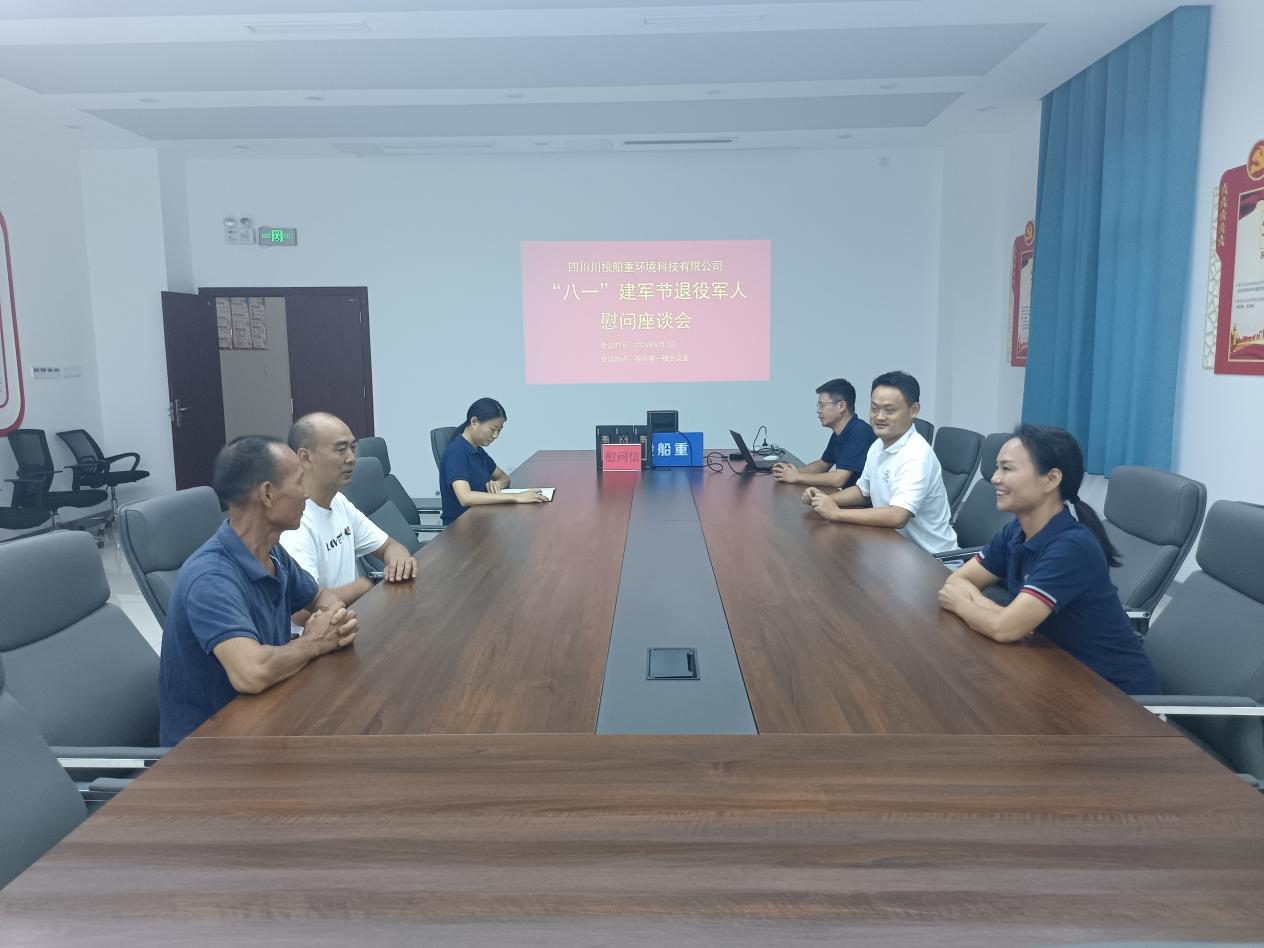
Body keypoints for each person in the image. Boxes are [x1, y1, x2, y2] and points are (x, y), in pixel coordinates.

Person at [158, 436, 359, 745]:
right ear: (267, 493)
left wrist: (335, 623)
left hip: (267, 716)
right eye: (299, 482)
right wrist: (315, 642)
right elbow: (251, 673)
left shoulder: (271, 553)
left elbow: (321, 597)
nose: (307, 494)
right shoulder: (210, 577)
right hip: (208, 750)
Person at [937, 424, 1160, 694]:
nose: (995, 478)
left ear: (1051, 479)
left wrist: (964, 604)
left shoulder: (1071, 547)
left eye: (1007, 469)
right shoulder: (1016, 531)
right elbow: (958, 580)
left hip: (1115, 697)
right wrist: (996, 612)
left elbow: (1003, 629)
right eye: (997, 468)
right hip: (1057, 673)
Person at [281, 412, 417, 628]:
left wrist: (399, 561)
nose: (352, 458)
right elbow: (300, 612)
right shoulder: (293, 522)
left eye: (353, 448)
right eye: (340, 449)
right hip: (319, 637)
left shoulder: (338, 501)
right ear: (305, 458)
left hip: (353, 620)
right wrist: (361, 587)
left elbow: (390, 546)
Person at [802, 370, 957, 554]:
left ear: (914, 410)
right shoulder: (878, 446)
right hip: (890, 545)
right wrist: (824, 500)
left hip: (929, 559)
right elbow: (863, 491)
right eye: (874, 408)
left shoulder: (916, 454)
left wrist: (836, 513)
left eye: (889, 410)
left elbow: (898, 515)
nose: (880, 417)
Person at [439, 397, 546, 525]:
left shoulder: (477, 450)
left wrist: (498, 484)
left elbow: (504, 478)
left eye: (499, 430)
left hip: (481, 519)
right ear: (474, 421)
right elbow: (465, 497)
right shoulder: (456, 452)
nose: (495, 436)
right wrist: (516, 497)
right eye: (492, 429)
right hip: (461, 527)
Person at [772, 377, 875, 489]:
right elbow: (822, 465)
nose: (818, 410)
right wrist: (791, 471)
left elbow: (838, 479)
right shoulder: (840, 433)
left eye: (822, 405)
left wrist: (797, 477)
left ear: (841, 406)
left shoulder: (860, 433)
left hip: (864, 500)